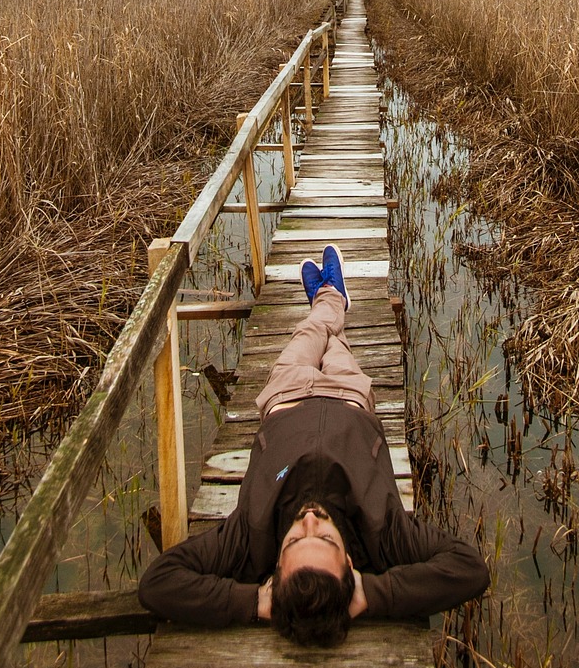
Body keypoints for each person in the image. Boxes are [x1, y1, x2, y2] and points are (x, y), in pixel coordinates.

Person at [138, 244, 489, 647]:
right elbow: (469, 569)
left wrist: (255, 602)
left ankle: (328, 299)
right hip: (348, 397)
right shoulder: (383, 532)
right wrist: (370, 595)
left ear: (272, 571)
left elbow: (158, 584)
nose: (308, 520)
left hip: (285, 394)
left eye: (293, 541)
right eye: (324, 538)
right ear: (351, 564)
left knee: (309, 332)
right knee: (335, 343)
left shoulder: (250, 537)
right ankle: (331, 299)